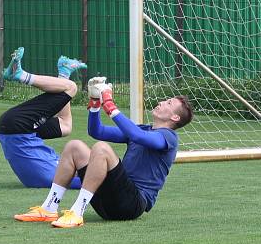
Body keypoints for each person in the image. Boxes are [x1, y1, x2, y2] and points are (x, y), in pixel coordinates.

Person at [13, 76, 194, 228]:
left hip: (132, 205)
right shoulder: (143, 129)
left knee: (101, 148)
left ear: (175, 117)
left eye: (169, 103)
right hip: (109, 200)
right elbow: (96, 131)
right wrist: (95, 103)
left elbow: (137, 136)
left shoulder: (169, 137)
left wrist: (110, 104)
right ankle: (49, 208)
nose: (162, 102)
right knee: (74, 146)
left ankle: (77, 212)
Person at [0, 47, 88, 189]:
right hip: (17, 130)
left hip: (17, 127)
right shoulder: (59, 171)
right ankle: (64, 72)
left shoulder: (60, 178)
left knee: (70, 88)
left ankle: (21, 75)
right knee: (65, 127)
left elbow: (93, 182)